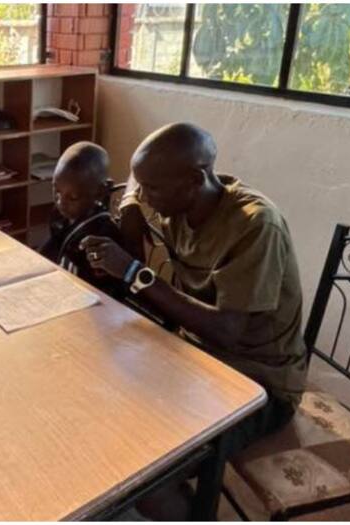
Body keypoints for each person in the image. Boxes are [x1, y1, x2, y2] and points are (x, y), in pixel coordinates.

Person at [81, 123, 306, 518]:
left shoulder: (256, 225)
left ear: (194, 179)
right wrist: (132, 203)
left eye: (154, 190)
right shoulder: (182, 203)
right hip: (198, 359)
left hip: (258, 383)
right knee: (101, 397)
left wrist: (134, 272)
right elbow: (137, 186)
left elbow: (227, 332)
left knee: (147, 474)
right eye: (143, 188)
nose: (146, 199)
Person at [38, 141, 124, 298]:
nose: (61, 202)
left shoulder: (104, 235)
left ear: (101, 191)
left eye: (73, 197)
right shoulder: (61, 214)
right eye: (56, 191)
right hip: (60, 288)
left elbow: (105, 290)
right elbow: (52, 246)